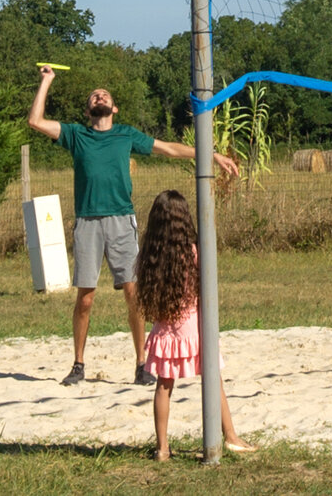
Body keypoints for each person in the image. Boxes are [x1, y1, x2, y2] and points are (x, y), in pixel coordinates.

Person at [27, 65, 239, 387]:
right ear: (88, 110)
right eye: (94, 95)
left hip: (121, 222)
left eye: (105, 95)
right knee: (85, 298)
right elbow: (35, 121)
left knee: (134, 294)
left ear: (114, 108)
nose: (100, 95)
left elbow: (168, 148)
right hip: (87, 222)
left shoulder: (125, 134)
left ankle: (142, 364)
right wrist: (47, 81)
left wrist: (210, 155)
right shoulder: (76, 134)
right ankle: (78, 364)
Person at [136, 189, 254, 460]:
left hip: (165, 331)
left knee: (163, 387)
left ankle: (162, 448)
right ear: (184, 218)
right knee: (214, 381)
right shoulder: (195, 253)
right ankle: (231, 437)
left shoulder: (150, 257)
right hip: (195, 331)